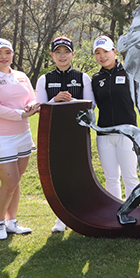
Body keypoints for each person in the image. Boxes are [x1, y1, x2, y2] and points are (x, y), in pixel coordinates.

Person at [0, 38, 41, 240]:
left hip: (22, 133)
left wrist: (31, 106)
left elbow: (31, 98)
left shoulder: (21, 76)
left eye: (7, 52)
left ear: (12, 54)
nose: (4, 57)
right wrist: (22, 113)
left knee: (16, 181)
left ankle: (11, 222)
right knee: (10, 182)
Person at [35, 36, 95, 233]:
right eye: (58, 52)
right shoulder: (44, 79)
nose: (62, 56)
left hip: (78, 134)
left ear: (72, 54)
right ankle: (62, 218)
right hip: (54, 135)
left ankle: (83, 214)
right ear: (52, 55)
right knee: (60, 176)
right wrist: (55, 99)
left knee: (80, 175)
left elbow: (90, 106)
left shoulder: (83, 77)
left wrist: (70, 101)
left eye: (66, 52)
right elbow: (40, 108)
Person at [91, 36, 140, 200]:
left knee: (130, 176)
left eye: (105, 51)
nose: (102, 56)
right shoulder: (96, 79)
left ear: (114, 52)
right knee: (111, 178)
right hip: (104, 134)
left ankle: (134, 210)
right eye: (98, 53)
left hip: (127, 133)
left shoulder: (129, 73)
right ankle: (115, 211)